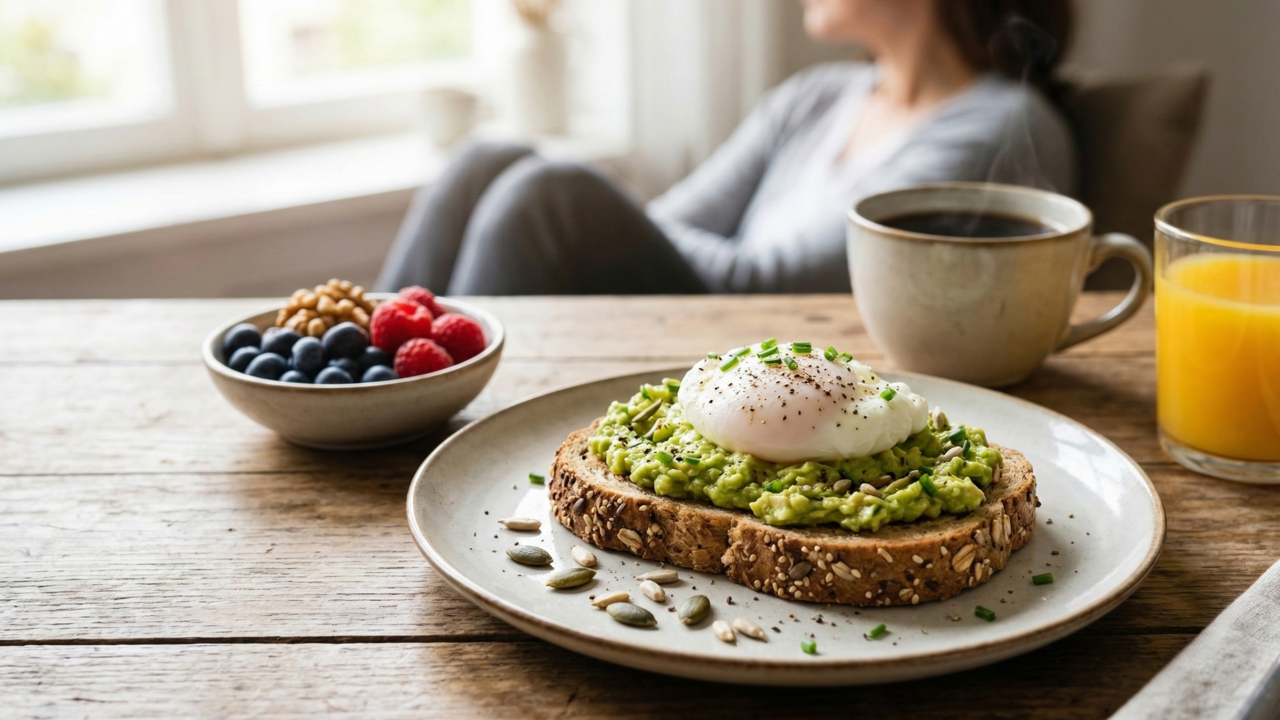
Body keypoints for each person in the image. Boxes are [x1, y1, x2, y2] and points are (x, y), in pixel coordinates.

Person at [377, 0, 1076, 296]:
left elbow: (773, 286)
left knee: (548, 195)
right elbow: (670, 217)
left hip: (775, 358)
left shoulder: (998, 122)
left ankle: (433, 446)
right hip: (710, 301)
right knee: (487, 159)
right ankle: (355, 379)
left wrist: (609, 227)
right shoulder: (818, 95)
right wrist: (623, 231)